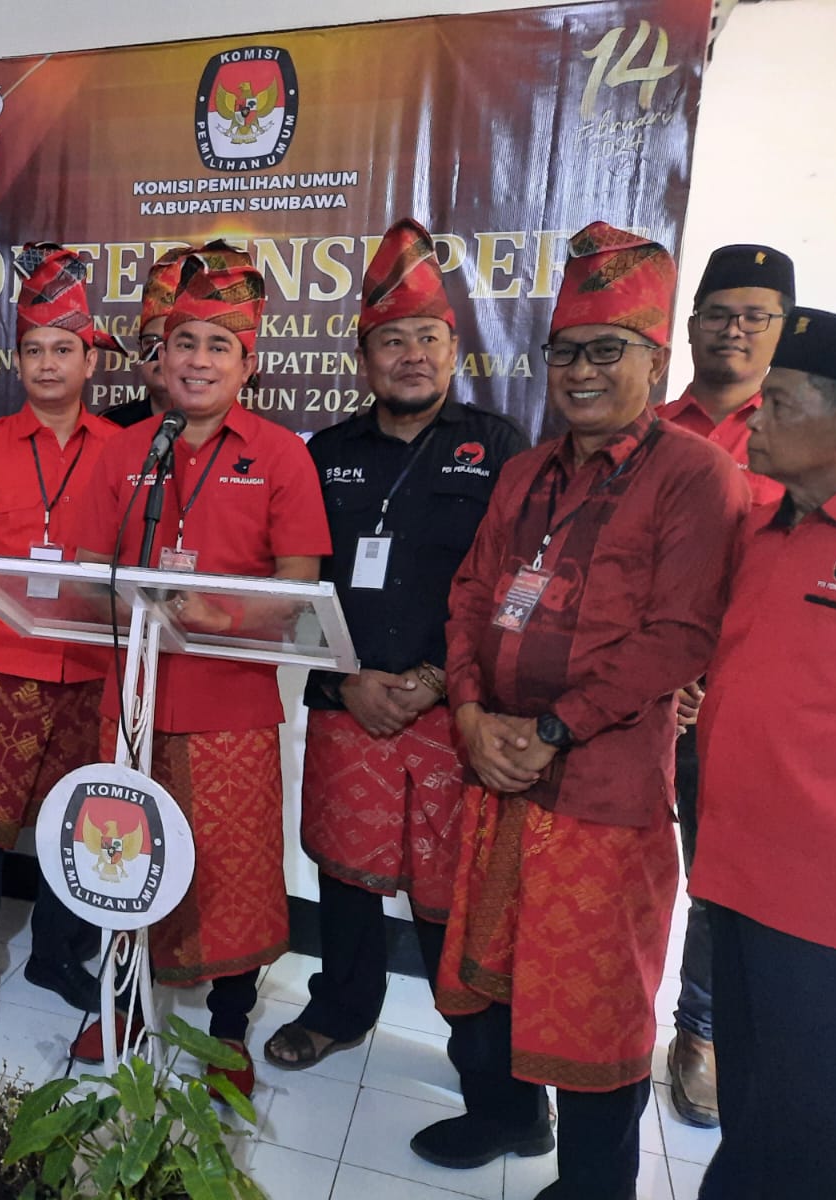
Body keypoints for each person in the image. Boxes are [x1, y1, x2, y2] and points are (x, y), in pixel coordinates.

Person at [420, 221, 748, 1199]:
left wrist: (550, 729)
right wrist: (470, 714)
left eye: (606, 351)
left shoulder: (697, 476)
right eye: (564, 352)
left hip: (602, 796)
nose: (580, 372)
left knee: (594, 1004)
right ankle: (505, 1119)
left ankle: (596, 1184)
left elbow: (678, 636)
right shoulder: (525, 472)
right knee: (485, 974)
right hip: (494, 774)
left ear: (655, 360)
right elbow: (469, 596)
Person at [267, 219, 527, 1071]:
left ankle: (480, 1054)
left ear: (453, 350)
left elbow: (515, 586)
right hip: (351, 701)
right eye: (391, 340)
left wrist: (438, 681)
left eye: (427, 338)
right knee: (345, 876)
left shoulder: (500, 449)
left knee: (453, 890)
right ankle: (341, 1009)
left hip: (457, 709)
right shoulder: (326, 454)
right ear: (362, 358)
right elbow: (299, 587)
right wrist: (344, 684)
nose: (411, 355)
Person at [76, 244, 332, 1096]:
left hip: (232, 706)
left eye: (219, 346)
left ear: (247, 364)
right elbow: (88, 567)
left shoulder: (281, 455)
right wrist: (121, 595)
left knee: (232, 874)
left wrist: (222, 615)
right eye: (184, 342)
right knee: (123, 853)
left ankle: (227, 1032)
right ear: (163, 353)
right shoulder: (124, 450)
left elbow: (298, 587)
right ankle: (122, 1004)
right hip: (131, 701)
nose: (198, 360)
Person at [692, 307, 836, 1199]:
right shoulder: (767, 529)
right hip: (737, 872)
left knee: (823, 1134)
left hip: (835, 906)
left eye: (783, 402)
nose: (755, 419)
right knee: (754, 1107)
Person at [0, 244, 118, 1036]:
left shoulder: (121, 452)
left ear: (90, 361)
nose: (47, 364)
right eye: (34, 350)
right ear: (16, 361)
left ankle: (54, 953)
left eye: (62, 350)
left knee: (70, 823)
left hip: (87, 674)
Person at [654, 243, 794, 1128]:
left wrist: (723, 684)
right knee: (612, 866)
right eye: (717, 314)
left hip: (734, 705)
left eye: (755, 316)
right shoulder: (646, 426)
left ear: (781, 329)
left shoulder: (801, 436)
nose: (733, 331)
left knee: (720, 879)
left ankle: (699, 1033)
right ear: (692, 324)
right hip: (634, 697)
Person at [104, 244, 192, 428]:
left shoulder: (242, 435)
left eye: (179, 344)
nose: (161, 354)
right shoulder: (111, 427)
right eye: (151, 342)